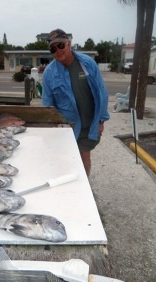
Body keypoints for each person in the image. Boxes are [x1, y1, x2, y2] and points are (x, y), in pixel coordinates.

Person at [42, 29, 110, 176]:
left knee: (83, 156)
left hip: (88, 124)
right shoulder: (48, 74)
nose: (58, 51)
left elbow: (101, 93)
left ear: (69, 43)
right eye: (53, 49)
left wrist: (101, 121)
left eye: (60, 45)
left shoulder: (87, 64)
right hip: (66, 126)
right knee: (65, 158)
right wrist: (50, 127)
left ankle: (84, 187)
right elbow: (47, 104)